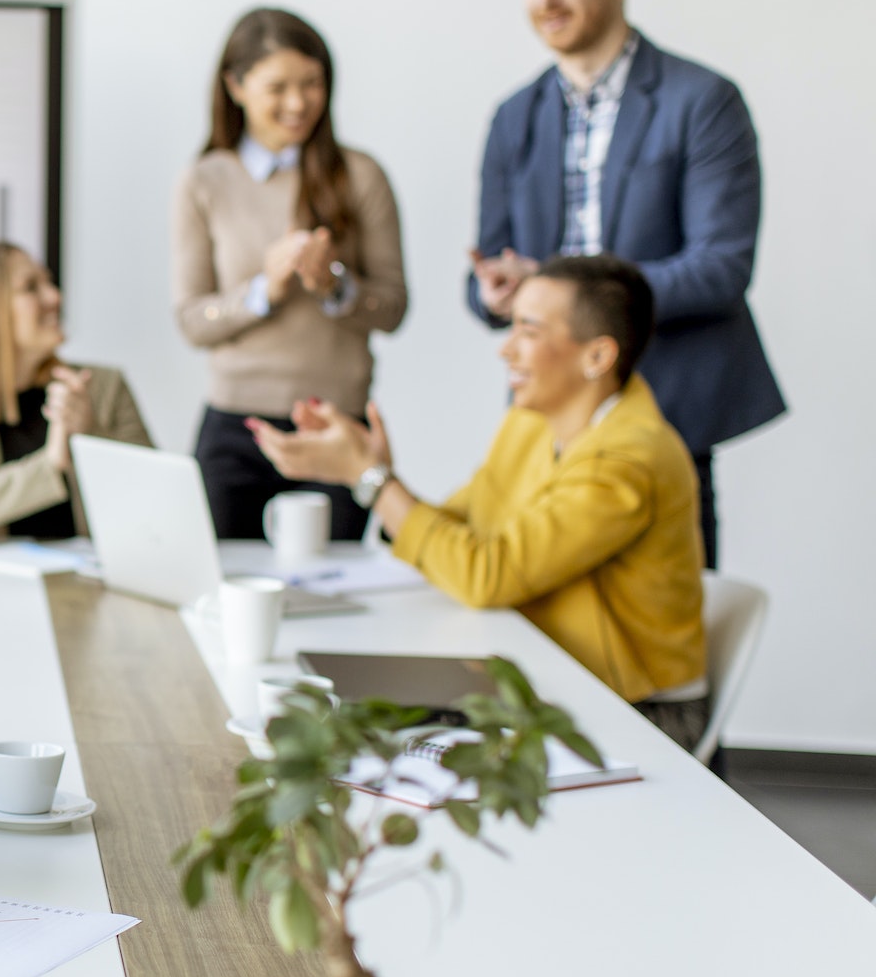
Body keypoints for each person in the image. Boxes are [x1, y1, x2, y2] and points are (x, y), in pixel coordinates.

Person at [254, 254, 710, 750]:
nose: (506, 350)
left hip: (637, 710)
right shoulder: (535, 419)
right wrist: (375, 471)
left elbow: (486, 574)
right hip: (544, 670)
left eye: (528, 331)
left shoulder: (629, 458)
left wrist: (370, 480)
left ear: (597, 357)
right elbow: (458, 524)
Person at [467, 0, 785, 569]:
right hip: (548, 416)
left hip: (668, 412)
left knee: (662, 635)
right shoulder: (513, 117)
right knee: (541, 621)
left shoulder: (701, 101)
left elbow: (721, 265)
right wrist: (497, 291)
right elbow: (486, 276)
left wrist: (560, 294)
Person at [173, 7, 408, 543]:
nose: (299, 103)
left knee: (334, 593)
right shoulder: (204, 180)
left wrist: (336, 286)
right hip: (235, 425)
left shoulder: (360, 176)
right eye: (278, 87)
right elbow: (191, 320)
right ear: (235, 86)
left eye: (312, 84)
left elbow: (393, 308)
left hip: (334, 425)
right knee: (225, 589)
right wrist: (264, 291)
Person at [0, 242, 150, 544]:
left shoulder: (104, 387)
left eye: (48, 283)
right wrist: (49, 466)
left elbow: (157, 505)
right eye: (31, 288)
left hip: (90, 583)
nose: (54, 297)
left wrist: (91, 432)